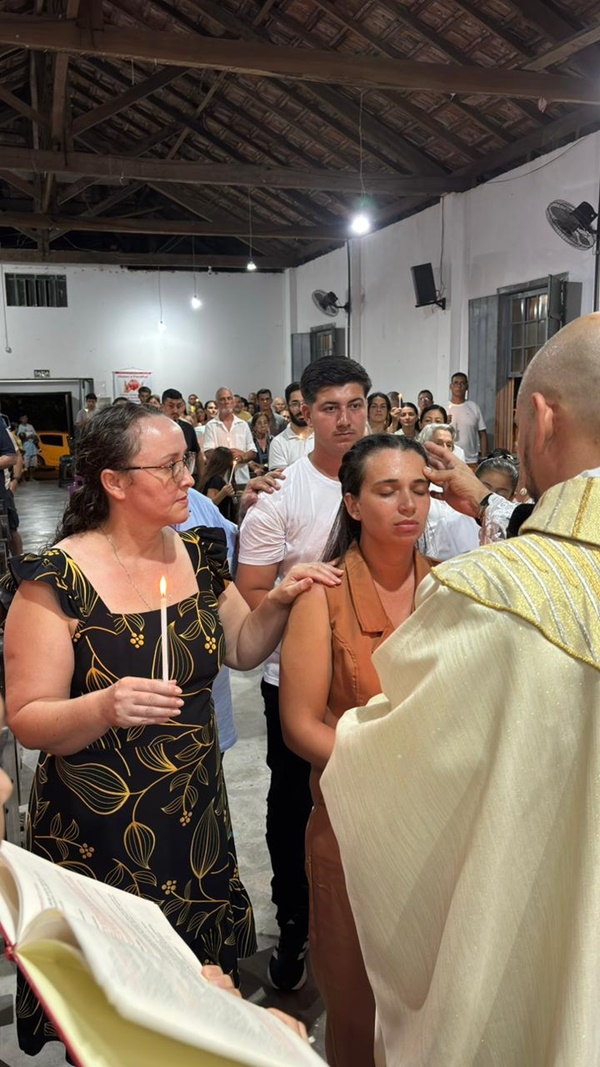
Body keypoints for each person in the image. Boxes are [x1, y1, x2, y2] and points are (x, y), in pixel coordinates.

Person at [2, 403, 340, 1056]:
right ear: (115, 482)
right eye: (169, 466)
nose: (189, 477)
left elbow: (241, 647)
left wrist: (277, 601)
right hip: (101, 827)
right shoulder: (54, 582)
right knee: (119, 1013)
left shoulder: (198, 553)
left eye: (186, 461)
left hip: (192, 815)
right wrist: (103, 705)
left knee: (197, 1002)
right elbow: (31, 718)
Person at [321, 311, 600, 1066]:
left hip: (531, 930)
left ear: (540, 418)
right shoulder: (336, 589)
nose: (409, 504)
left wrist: (352, 741)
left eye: (417, 489)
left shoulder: (484, 591)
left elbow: (402, 772)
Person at [280, 434, 435, 1067]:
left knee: (433, 1010)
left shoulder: (452, 589)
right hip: (354, 827)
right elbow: (299, 725)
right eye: (388, 490)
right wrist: (390, 775)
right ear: (351, 503)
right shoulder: (322, 595)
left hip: (439, 830)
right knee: (357, 1013)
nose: (409, 505)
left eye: (420, 489)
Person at [236, 356, 371, 992]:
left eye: (355, 405)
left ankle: (369, 918)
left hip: (380, 674)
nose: (345, 420)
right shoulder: (279, 496)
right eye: (329, 408)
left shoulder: (394, 477)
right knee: (294, 802)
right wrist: (300, 601)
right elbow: (250, 593)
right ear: (305, 413)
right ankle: (294, 921)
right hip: (293, 678)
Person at [203, 387, 257, 487]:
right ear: (217, 403)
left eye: (229, 398)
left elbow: (253, 451)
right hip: (219, 482)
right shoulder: (211, 426)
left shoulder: (243, 425)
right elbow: (208, 452)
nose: (226, 402)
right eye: (222, 399)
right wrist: (228, 456)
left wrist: (242, 457)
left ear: (233, 401)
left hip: (242, 480)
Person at [268, 382, 314, 470]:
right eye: (295, 404)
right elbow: (281, 477)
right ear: (287, 407)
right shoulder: (279, 443)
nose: (301, 409)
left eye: (305, 402)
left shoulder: (324, 438)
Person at [447, 372, 488, 467]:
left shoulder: (474, 407)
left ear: (467, 387)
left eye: (462, 383)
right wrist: (445, 423)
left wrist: (484, 457)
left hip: (471, 460)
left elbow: (482, 433)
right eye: (456, 383)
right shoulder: (444, 409)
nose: (459, 386)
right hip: (449, 460)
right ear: (451, 386)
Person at [161, 388, 200, 476]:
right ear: (162, 406)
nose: (175, 410)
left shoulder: (188, 428)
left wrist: (202, 480)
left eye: (179, 406)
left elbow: (196, 454)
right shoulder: (155, 430)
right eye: (171, 406)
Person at [200, 445, 238, 522]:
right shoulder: (216, 479)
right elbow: (210, 504)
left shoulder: (210, 477)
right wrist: (223, 493)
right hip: (215, 521)